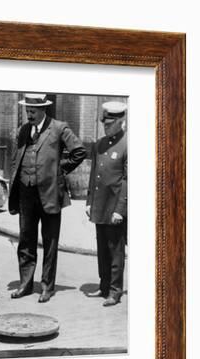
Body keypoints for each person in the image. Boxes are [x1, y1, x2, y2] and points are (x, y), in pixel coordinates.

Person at [8, 93, 86, 303]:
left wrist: (59, 170)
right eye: (27, 111)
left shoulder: (59, 127)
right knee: (25, 240)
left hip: (50, 193)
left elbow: (79, 151)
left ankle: (47, 287)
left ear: (43, 109)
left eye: (32, 111)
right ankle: (25, 284)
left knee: (50, 242)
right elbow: (16, 159)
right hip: (26, 193)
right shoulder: (23, 130)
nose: (29, 115)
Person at [85, 101, 128, 307]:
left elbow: (128, 181)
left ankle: (115, 290)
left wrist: (121, 209)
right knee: (102, 248)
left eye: (110, 123)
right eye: (104, 123)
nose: (106, 126)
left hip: (115, 207)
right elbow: (94, 174)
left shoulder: (127, 144)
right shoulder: (100, 144)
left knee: (115, 250)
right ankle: (104, 286)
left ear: (121, 121)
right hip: (100, 205)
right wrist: (89, 201)